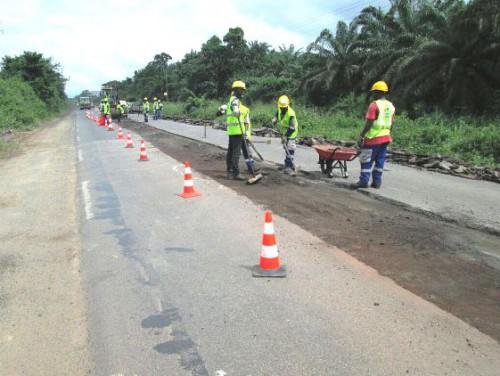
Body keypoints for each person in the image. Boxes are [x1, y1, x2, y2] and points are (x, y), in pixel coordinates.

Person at [351, 80, 396, 189]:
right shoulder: (391, 106)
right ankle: (377, 182)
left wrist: (361, 135)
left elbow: (369, 122)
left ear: (376, 92)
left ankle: (364, 181)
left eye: (374, 92)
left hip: (373, 138)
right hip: (385, 137)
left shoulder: (374, 105)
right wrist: (389, 133)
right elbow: (392, 122)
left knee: (366, 159)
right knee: (380, 160)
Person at [218, 80, 247, 180]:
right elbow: (235, 110)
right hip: (237, 130)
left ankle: (229, 171)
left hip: (232, 130)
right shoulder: (235, 100)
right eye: (242, 90)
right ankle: (236, 173)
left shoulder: (230, 100)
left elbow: (223, 110)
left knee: (230, 151)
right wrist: (237, 112)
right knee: (236, 152)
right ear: (237, 90)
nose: (243, 92)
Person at [272, 95, 298, 175]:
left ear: (287, 106)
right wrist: (275, 119)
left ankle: (289, 167)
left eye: (284, 108)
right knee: (285, 147)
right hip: (284, 131)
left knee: (290, 149)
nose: (282, 109)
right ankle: (287, 164)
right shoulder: (280, 109)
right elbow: (277, 114)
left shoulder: (291, 113)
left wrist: (286, 137)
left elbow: (292, 127)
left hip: (291, 133)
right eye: (281, 107)